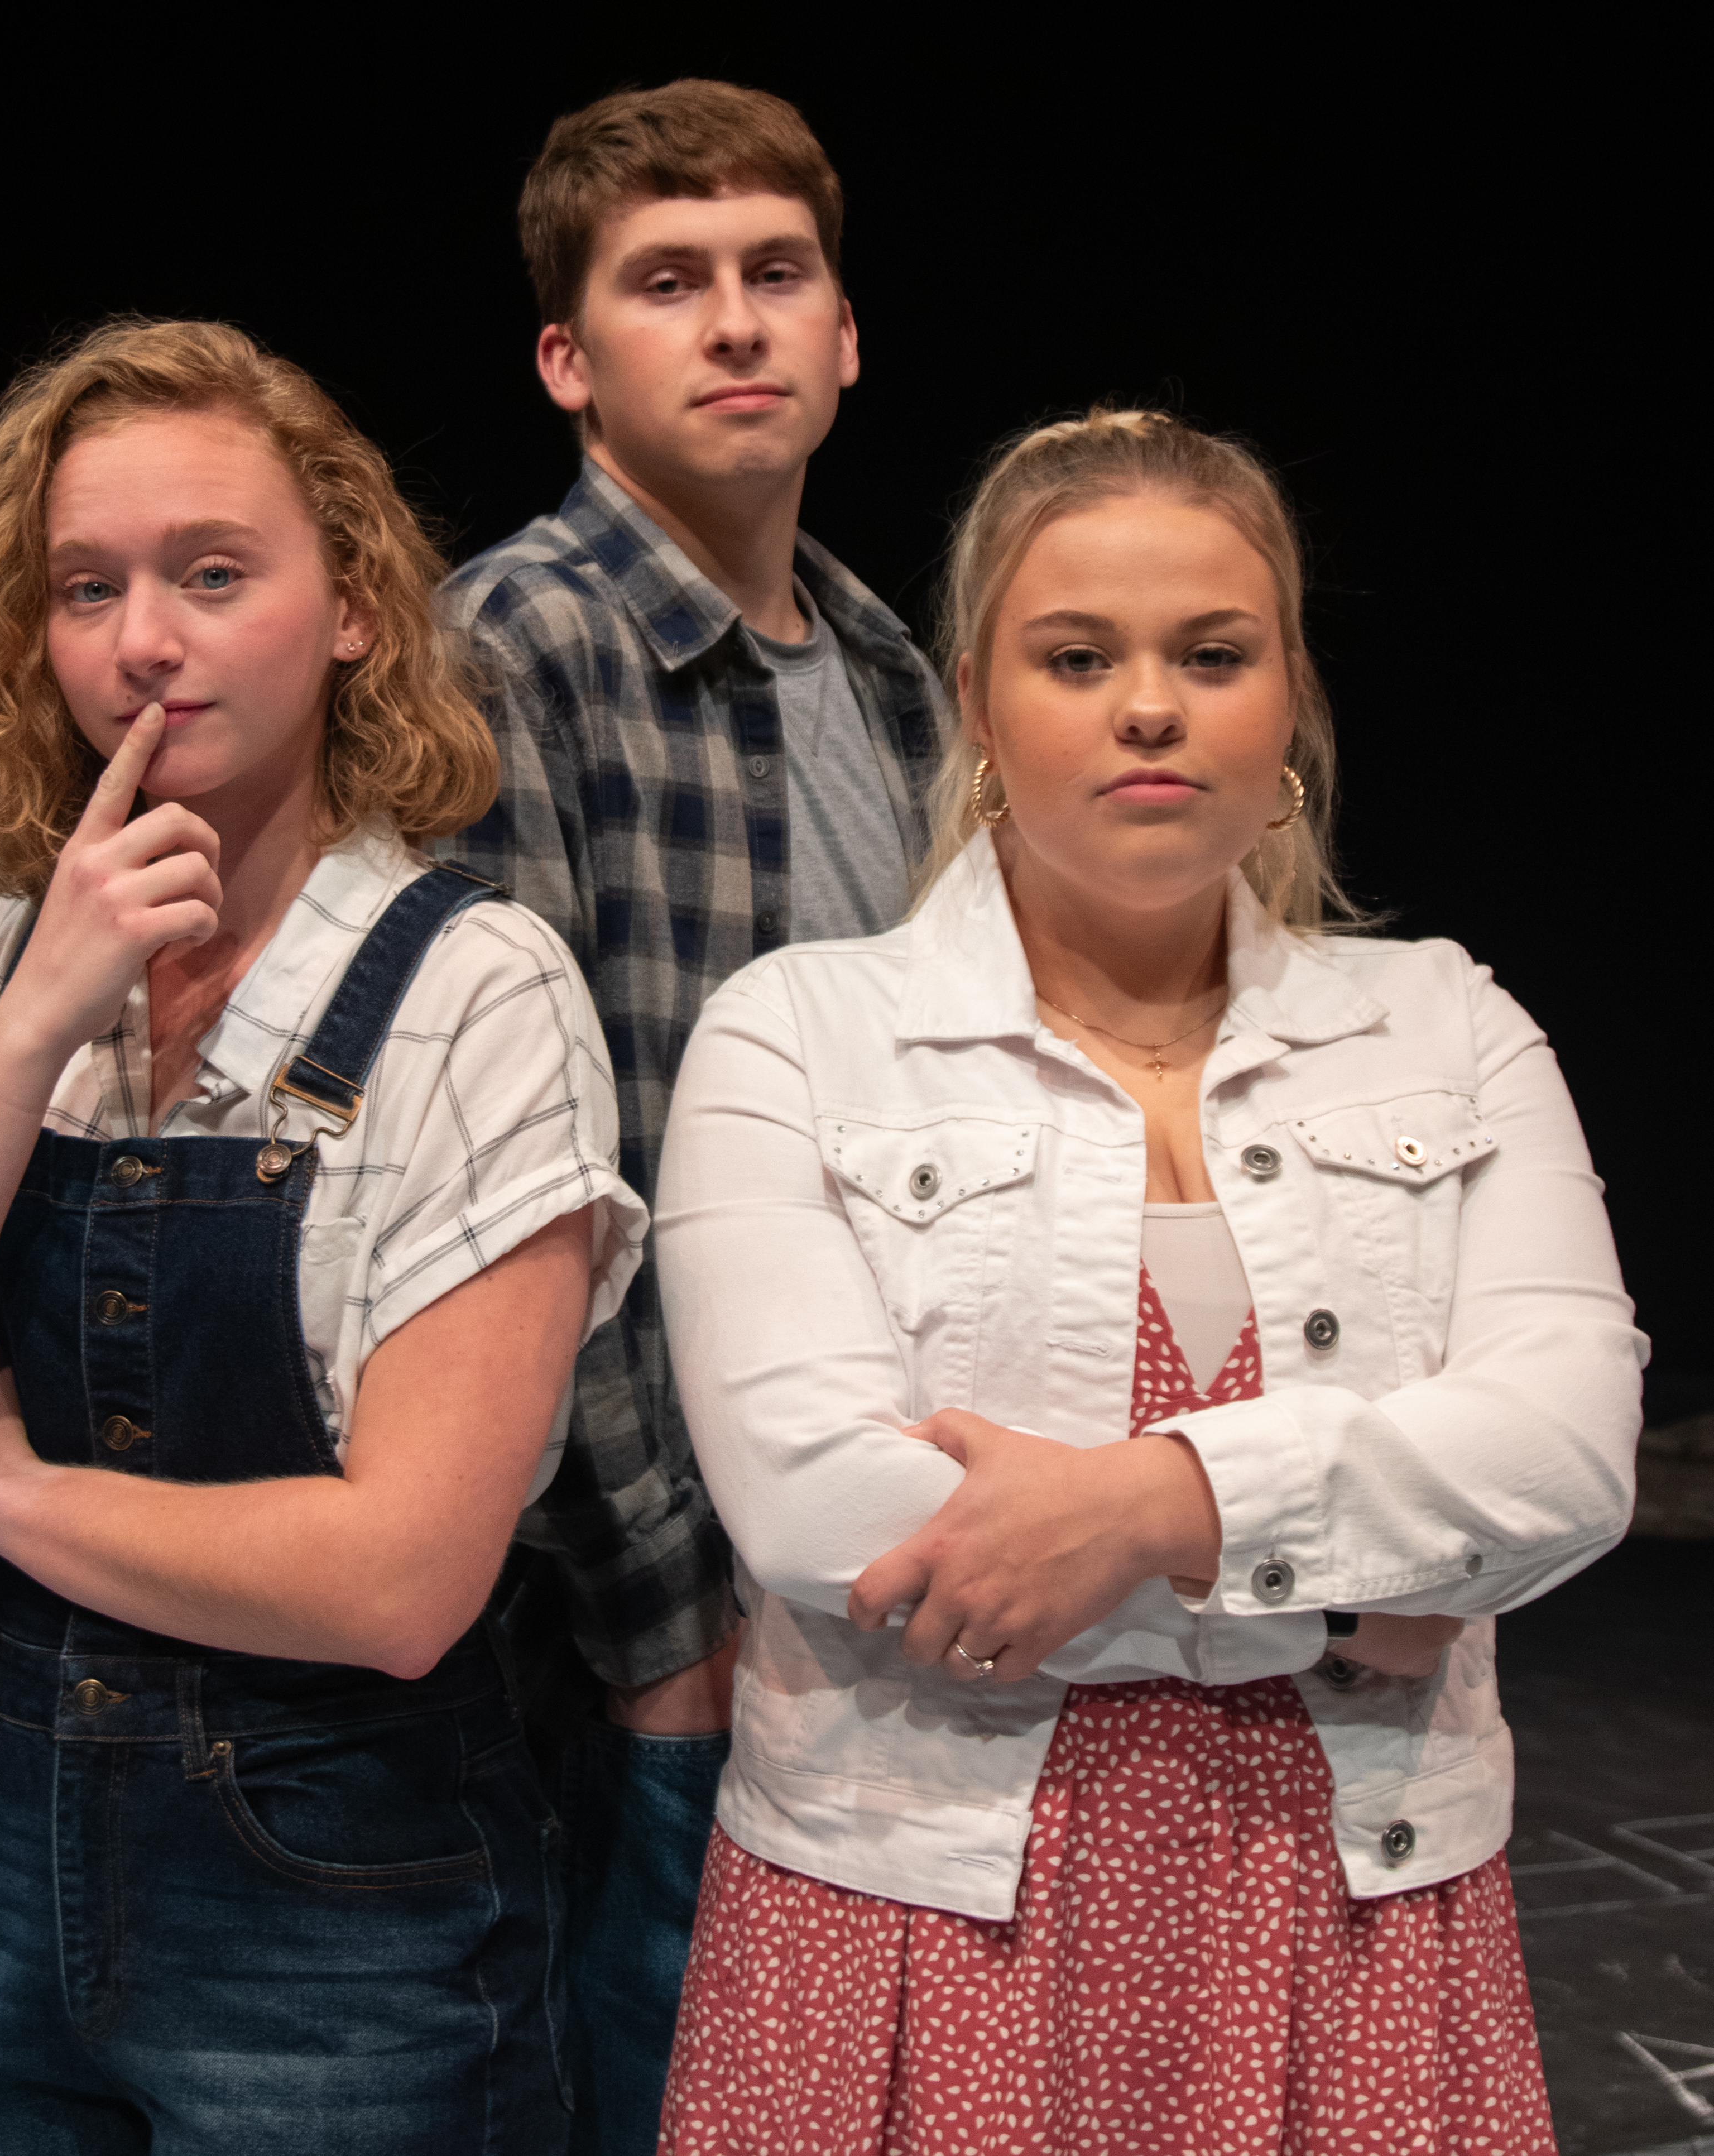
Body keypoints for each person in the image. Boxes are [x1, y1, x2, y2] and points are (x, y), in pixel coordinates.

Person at [652, 408, 1646, 2152]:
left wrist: (1141, 1504)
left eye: (1210, 652)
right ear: (976, 702)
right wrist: (1347, 1600)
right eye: (1074, 655)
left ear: (1287, 698)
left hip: (1355, 1910)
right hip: (914, 1913)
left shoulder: (1447, 1022)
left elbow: (1562, 1460)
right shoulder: (797, 1037)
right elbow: (823, 1513)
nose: (1146, 705)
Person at [0, 318, 647, 2154]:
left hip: (344, 1889)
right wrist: (30, 1023)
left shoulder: (474, 992)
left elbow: (399, 1583)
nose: (143, 640)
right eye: (90, 589)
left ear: (351, 611)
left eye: (212, 574)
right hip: (9, 1845)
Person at [439, 78, 951, 2149]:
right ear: (572, 361)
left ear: (842, 333)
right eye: (667, 284)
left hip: (878, 1567)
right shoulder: (519, 647)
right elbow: (522, 1198)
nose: (733, 321)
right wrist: (666, 1612)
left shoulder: (901, 675)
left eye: (774, 274)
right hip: (639, 1614)